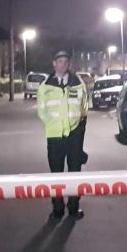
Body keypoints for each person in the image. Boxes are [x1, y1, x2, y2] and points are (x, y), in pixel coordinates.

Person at [36, 50, 90, 220]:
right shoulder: (45, 85)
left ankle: (73, 208)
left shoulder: (77, 83)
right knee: (56, 174)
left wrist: (79, 130)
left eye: (66, 61)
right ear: (54, 63)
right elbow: (42, 111)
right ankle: (57, 209)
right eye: (60, 61)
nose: (63, 64)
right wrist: (53, 126)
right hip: (54, 137)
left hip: (74, 135)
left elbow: (84, 108)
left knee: (74, 173)